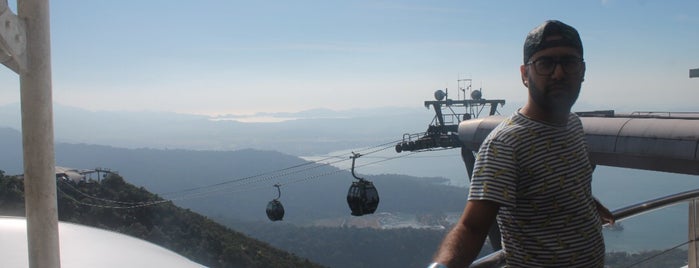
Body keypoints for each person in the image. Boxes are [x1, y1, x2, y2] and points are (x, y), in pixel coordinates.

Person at [429, 20, 615, 268]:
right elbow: (472, 227)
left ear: (582, 71)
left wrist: (584, 203)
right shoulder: (506, 144)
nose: (558, 73)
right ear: (525, 75)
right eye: (545, 63)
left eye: (568, 62)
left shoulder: (573, 125)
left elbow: (558, 182)